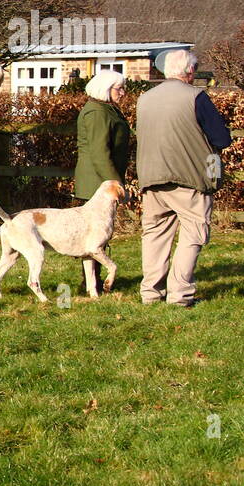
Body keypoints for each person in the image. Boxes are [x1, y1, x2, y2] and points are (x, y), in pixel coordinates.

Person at [135, 50, 232, 307]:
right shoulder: (196, 97)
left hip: (151, 177)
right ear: (189, 72)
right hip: (189, 178)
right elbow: (222, 139)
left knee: (154, 235)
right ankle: (180, 294)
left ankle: (151, 294)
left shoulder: (144, 98)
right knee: (193, 234)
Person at [74, 69, 131, 201]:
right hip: (96, 184)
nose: (122, 93)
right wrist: (117, 185)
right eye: (119, 89)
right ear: (105, 88)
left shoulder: (107, 109)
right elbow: (100, 153)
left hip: (103, 183)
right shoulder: (97, 112)